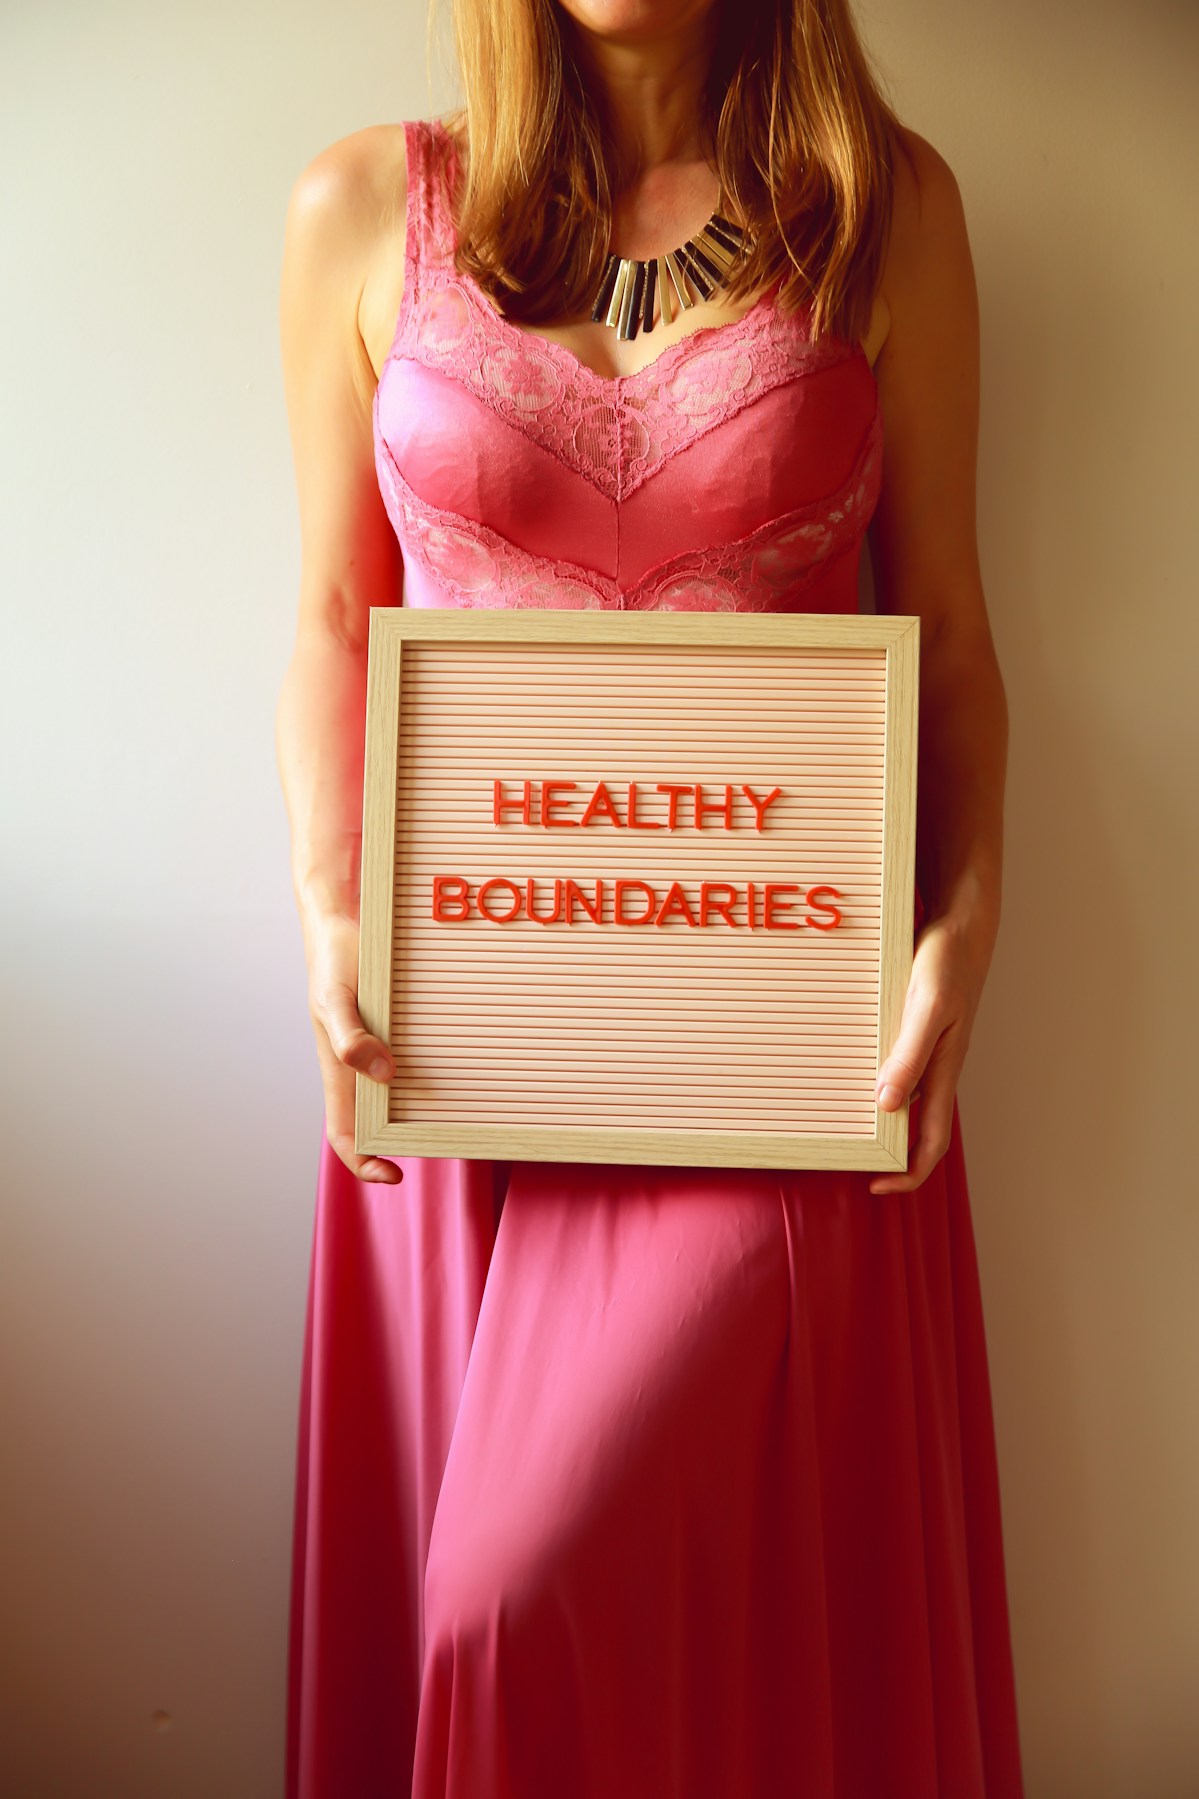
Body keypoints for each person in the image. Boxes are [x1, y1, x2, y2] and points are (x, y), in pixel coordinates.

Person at [275, 0, 1024, 1794]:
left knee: (516, 1602)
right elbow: (332, 616)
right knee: (496, 1625)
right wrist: (330, 913)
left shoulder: (889, 209)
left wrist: (968, 925)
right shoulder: (360, 208)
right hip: (454, 1055)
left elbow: (949, 624)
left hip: (778, 1066)